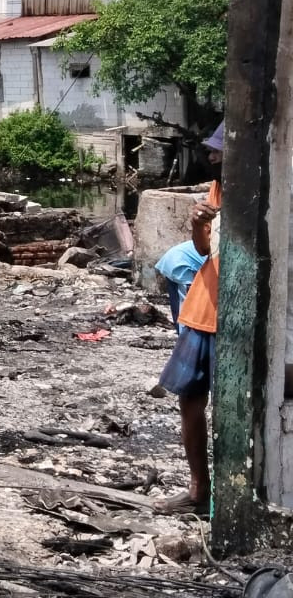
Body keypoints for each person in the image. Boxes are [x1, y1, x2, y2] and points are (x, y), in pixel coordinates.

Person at [153, 122, 223, 516]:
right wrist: (197, 224)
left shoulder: (263, 190)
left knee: (233, 409)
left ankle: (228, 497)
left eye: (217, 151)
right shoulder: (219, 189)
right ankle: (199, 490)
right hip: (201, 310)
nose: (211, 156)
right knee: (190, 400)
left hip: (231, 318)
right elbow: (203, 249)